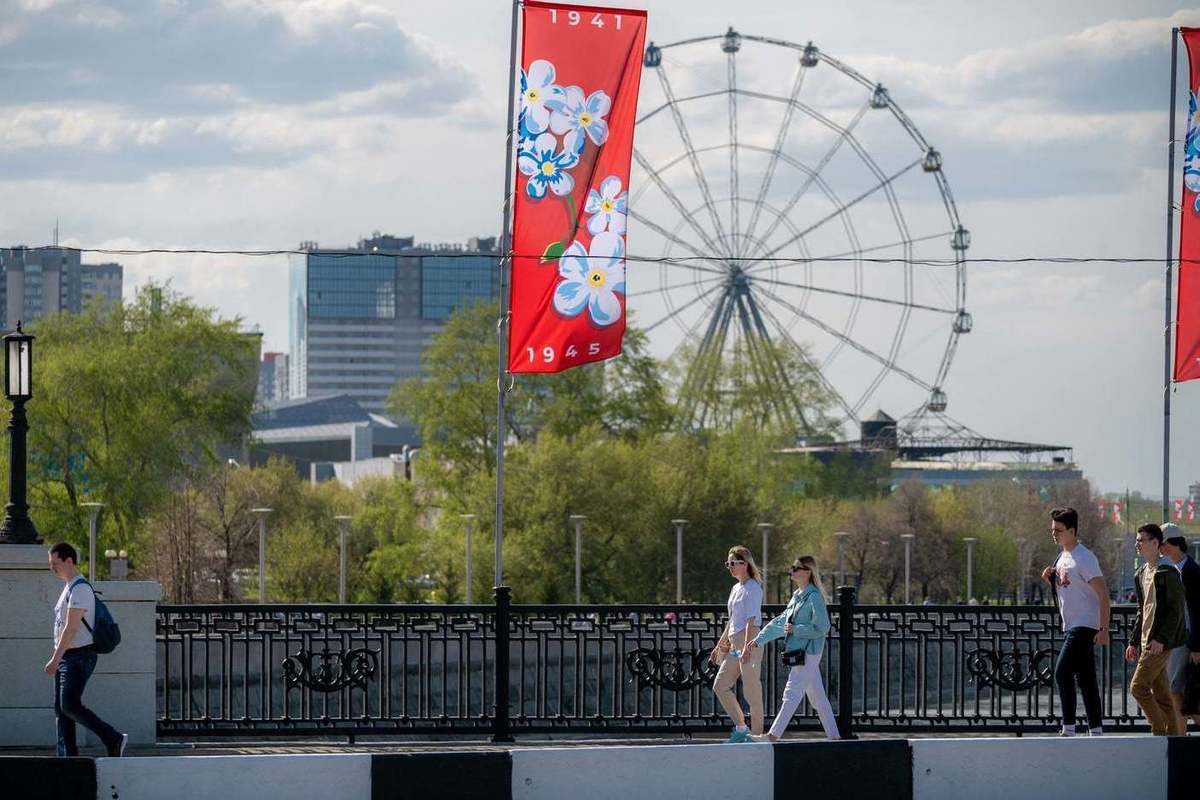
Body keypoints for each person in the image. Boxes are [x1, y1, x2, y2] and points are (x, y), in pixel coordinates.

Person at [743, 555, 839, 741]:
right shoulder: (797, 596)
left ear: (808, 571)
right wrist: (757, 640)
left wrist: (797, 629)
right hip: (800, 652)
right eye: (792, 567)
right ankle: (835, 737)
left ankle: (773, 735)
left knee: (791, 691)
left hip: (808, 652)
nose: (792, 571)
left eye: (796, 568)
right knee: (817, 697)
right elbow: (780, 622)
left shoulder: (814, 597)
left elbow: (822, 627)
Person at [46, 542, 127, 757]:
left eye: (55, 563)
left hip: (78, 656)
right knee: (62, 710)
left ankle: (113, 738)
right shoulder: (69, 587)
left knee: (69, 705)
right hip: (68, 657)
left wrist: (55, 659)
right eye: (50, 563)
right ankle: (67, 759)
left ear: (69, 561)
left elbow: (71, 628)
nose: (52, 568)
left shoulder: (80, 588)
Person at [1039, 507, 1109, 736]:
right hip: (1071, 624)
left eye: (1058, 530)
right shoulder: (1062, 557)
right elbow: (1070, 587)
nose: (1054, 534)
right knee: (1086, 679)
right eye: (1052, 530)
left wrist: (1104, 627)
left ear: (1072, 530)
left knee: (1061, 672)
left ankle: (1068, 728)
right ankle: (1096, 729)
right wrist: (1049, 576)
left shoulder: (1084, 557)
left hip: (1084, 624)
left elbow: (1103, 593)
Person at [1125, 523, 1187, 736]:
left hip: (1159, 643)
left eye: (1141, 540)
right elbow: (1142, 611)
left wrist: (1161, 639)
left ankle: (1158, 731)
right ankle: (1173, 739)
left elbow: (1176, 609)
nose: (1137, 544)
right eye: (1137, 540)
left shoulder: (1167, 571)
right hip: (1146, 641)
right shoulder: (1142, 573)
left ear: (1155, 543)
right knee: (1162, 695)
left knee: (1138, 687)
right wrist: (1134, 641)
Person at [709, 545, 764, 743]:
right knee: (720, 685)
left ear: (745, 564)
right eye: (728, 564)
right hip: (735, 642)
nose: (730, 567)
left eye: (733, 563)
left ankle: (757, 735)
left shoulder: (753, 587)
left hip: (749, 639)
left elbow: (751, 619)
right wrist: (720, 644)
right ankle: (741, 727)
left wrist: (748, 645)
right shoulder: (736, 588)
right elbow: (733, 620)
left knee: (751, 689)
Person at [1160, 526, 1200, 731]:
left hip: (1186, 640)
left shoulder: (1190, 571)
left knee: (1176, 688)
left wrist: (1196, 646)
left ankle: (1179, 736)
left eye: (1163, 544)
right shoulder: (1175, 568)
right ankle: (1179, 733)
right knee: (1179, 689)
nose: (1161, 549)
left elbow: (1195, 610)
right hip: (1177, 639)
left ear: (1175, 543)